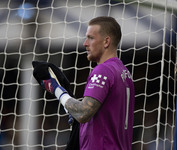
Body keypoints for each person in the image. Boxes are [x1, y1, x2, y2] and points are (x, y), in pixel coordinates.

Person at [41, 16, 135, 150]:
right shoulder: (124, 72)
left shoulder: (103, 70)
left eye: (91, 38)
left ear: (106, 41)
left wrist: (57, 90)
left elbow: (83, 112)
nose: (85, 43)